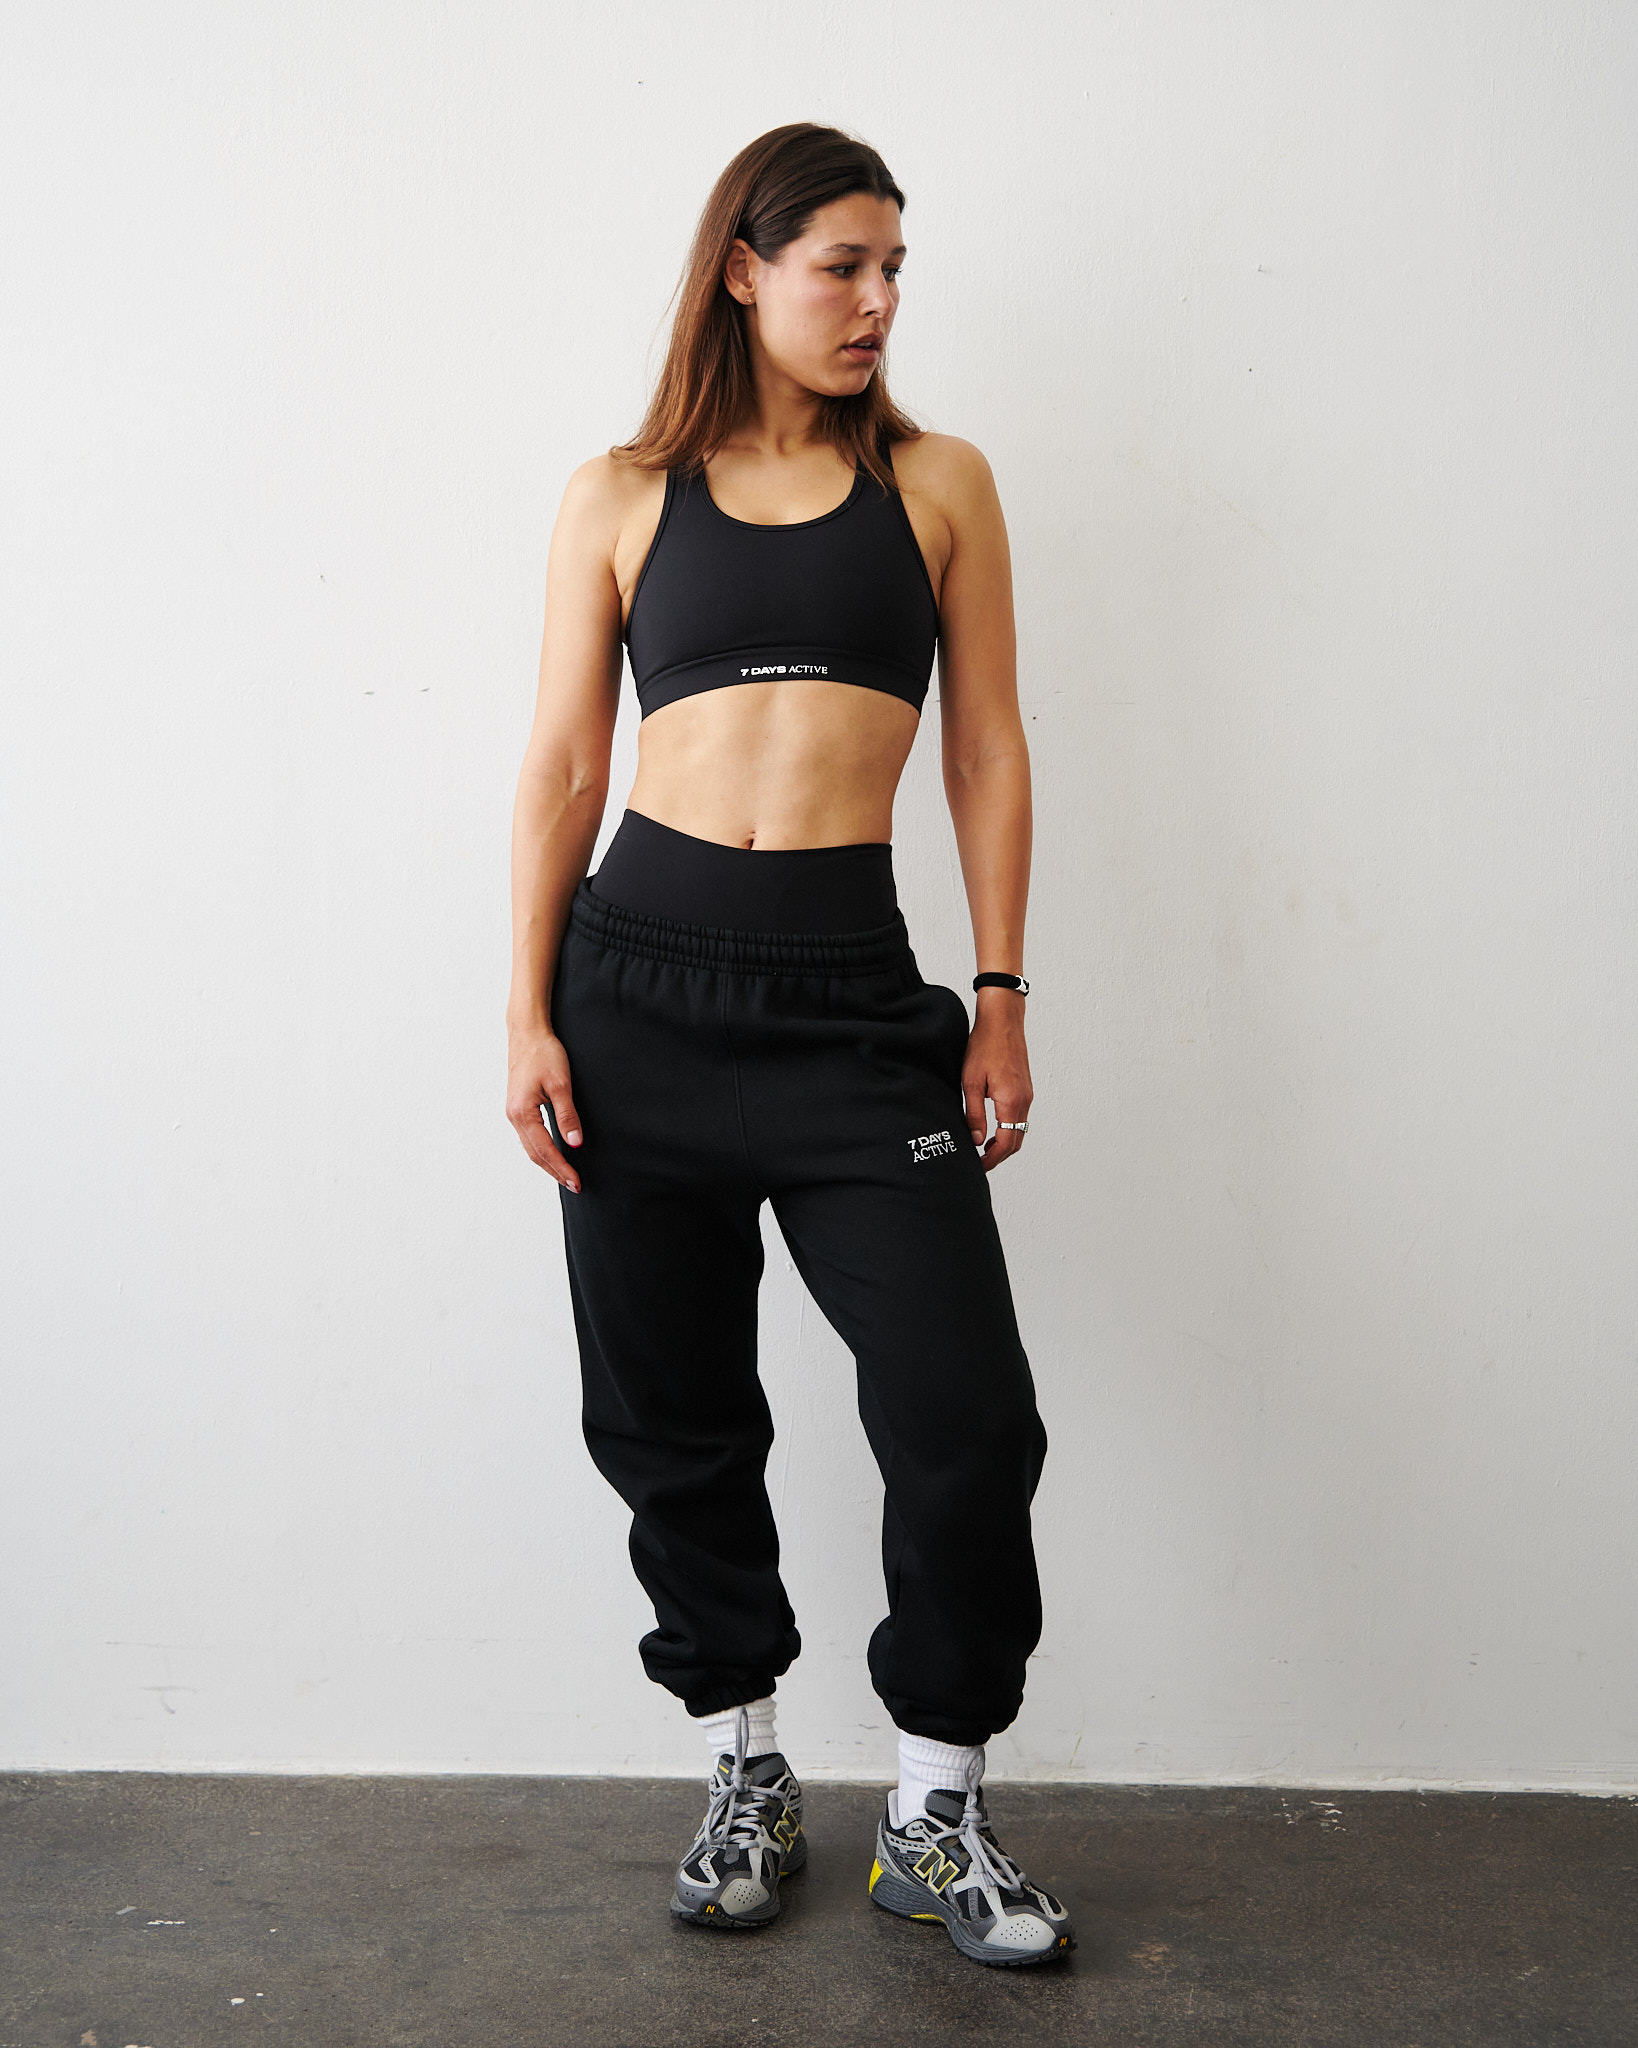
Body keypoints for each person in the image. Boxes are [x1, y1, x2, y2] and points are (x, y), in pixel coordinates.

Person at [506, 122, 1073, 1969]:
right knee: (671, 1415)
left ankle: (934, 1807)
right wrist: (526, 1012)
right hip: (637, 1000)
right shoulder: (618, 494)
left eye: (895, 268)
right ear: (743, 270)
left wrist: (1000, 991)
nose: (877, 300)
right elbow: (565, 767)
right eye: (843, 264)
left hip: (852, 1014)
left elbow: (984, 746)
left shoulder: (938, 484)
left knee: (966, 1417)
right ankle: (742, 1762)